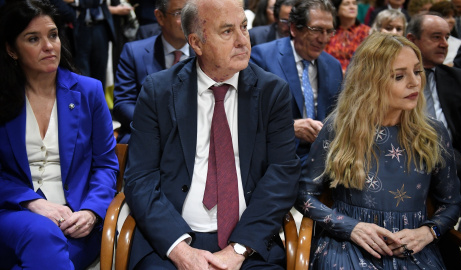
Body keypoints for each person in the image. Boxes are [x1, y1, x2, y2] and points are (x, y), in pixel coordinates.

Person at [123, 0, 301, 268]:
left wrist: (238, 250)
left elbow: (283, 175)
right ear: (196, 43)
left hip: (248, 241)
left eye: (244, 27)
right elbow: (140, 178)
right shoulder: (158, 91)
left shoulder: (272, 92)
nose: (243, 41)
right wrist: (180, 250)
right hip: (172, 241)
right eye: (227, 32)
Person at [296, 32, 461, 269]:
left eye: (417, 71)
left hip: (414, 247)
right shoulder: (340, 128)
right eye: (399, 76)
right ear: (370, 82)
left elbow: (452, 203)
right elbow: (304, 194)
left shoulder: (432, 134)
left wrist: (428, 232)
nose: (414, 82)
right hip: (348, 244)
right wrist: (349, 227)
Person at [0, 1, 118, 269]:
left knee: (42, 252)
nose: (49, 46)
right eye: (33, 39)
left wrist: (91, 211)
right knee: (41, 234)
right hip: (13, 214)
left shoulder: (89, 91)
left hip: (75, 220)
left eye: (53, 35)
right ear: (11, 49)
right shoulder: (3, 97)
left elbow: (106, 164)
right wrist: (32, 203)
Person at [407, 14, 461, 268]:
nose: (444, 44)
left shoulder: (459, 78)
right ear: (411, 40)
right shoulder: (396, 81)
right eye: (435, 37)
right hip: (407, 160)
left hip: (456, 161)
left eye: (447, 37)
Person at [250, 0, 343, 164]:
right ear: (294, 29)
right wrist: (290, 127)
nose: (323, 39)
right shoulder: (263, 58)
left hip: (323, 161)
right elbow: (249, 116)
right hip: (278, 160)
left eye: (329, 31)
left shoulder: (333, 66)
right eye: (316, 30)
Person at [114, 0, 194, 144]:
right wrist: (159, 127)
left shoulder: (205, 54)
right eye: (179, 13)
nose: (187, 20)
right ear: (160, 17)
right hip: (147, 136)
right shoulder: (134, 53)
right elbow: (123, 103)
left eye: (191, 12)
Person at [325, 0, 370, 73]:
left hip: (357, 77)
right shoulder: (329, 32)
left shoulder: (366, 32)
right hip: (331, 74)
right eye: (346, 4)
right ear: (336, 10)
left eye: (354, 4)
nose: (352, 7)